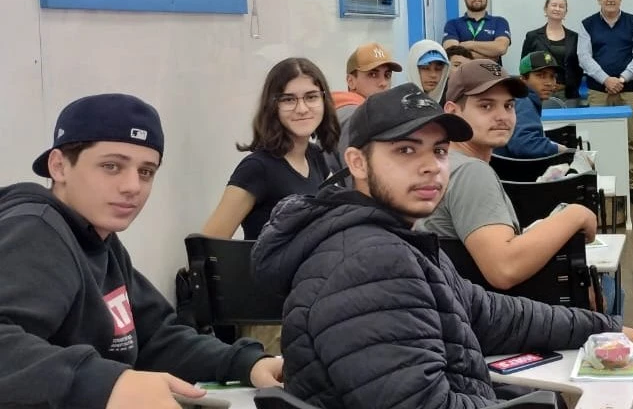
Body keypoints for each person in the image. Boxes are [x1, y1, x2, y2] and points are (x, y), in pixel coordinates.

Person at [250, 83, 633, 408]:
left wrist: (604, 329)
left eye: (439, 151)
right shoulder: (370, 261)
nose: (430, 166)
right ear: (357, 163)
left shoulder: (393, 239)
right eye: (406, 150)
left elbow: (488, 313)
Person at [0, 94, 284, 409]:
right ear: (59, 166)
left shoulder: (100, 241)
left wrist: (246, 363)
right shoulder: (35, 231)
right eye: (111, 166)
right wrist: (105, 384)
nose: (132, 186)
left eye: (146, 171)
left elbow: (156, 337)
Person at [419, 61, 612, 309]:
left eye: (508, 105)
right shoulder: (470, 172)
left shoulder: (443, 164)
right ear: (453, 112)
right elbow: (504, 268)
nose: (502, 116)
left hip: (461, 308)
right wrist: (575, 215)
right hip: (486, 317)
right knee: (610, 289)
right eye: (486, 106)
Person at [203, 58, 339, 240]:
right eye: (288, 99)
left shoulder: (316, 157)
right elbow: (208, 244)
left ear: (324, 100)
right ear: (273, 106)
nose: (302, 109)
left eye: (311, 97)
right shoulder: (257, 168)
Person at [577, 0, 633, 205]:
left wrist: (622, 78)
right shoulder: (587, 24)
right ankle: (602, 187)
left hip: (628, 91)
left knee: (631, 139)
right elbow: (584, 57)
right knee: (598, 140)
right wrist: (606, 79)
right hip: (598, 91)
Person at [496, 51, 573, 159]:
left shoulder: (520, 99)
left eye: (552, 76)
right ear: (523, 79)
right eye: (541, 76)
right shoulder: (522, 101)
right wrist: (560, 149)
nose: (549, 83)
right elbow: (523, 145)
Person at [521, 0, 583, 105]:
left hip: (568, 94)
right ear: (546, 9)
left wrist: (570, 84)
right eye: (554, 5)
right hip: (539, 94)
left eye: (561, 6)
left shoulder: (575, 37)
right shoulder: (532, 36)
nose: (557, 9)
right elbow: (524, 65)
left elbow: (579, 67)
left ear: (566, 12)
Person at [442, 0, 512, 64]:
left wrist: (468, 45)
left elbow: (501, 48)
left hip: (492, 72)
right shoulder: (452, 24)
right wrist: (490, 56)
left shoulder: (500, 22)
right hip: (463, 72)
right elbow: (452, 52)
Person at [331, 42, 401, 126]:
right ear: (351, 81)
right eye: (373, 75)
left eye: (387, 75)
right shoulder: (355, 115)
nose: (383, 83)